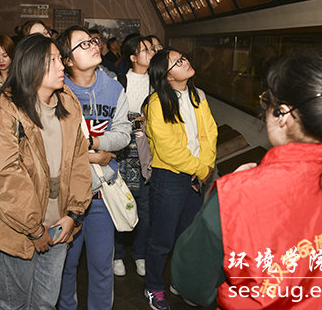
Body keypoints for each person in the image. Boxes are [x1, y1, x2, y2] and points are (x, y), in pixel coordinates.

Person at [171, 53, 322, 308]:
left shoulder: (238, 196)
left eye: (267, 102)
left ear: (284, 115)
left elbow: (191, 283)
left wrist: (231, 191)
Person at [0, 34, 92, 309]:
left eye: (60, 59)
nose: (61, 66)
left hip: (59, 224)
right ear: (31, 66)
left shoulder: (68, 104)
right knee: (14, 303)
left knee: (45, 303)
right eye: (52, 60)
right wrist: (35, 230)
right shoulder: (5, 115)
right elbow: (5, 179)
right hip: (15, 228)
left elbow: (79, 162)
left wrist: (73, 214)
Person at [57, 26, 131, 310]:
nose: (93, 45)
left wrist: (94, 142)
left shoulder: (113, 88)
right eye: (83, 44)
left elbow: (123, 134)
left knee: (102, 266)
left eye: (92, 41)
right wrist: (92, 156)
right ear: (67, 60)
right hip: (66, 195)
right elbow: (51, 142)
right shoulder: (59, 89)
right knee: (66, 265)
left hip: (103, 194)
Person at [143, 49, 217, 310]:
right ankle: (153, 286)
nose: (185, 61)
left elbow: (210, 133)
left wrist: (204, 167)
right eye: (177, 62)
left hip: (196, 176)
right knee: (162, 239)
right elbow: (168, 150)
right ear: (167, 76)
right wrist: (200, 169)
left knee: (187, 238)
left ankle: (180, 281)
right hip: (170, 178)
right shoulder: (156, 103)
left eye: (183, 58)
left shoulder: (197, 95)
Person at [113, 36, 155, 278]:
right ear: (132, 57)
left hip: (149, 153)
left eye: (151, 48)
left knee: (146, 209)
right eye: (145, 49)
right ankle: (117, 254)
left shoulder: (157, 82)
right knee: (121, 203)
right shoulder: (120, 82)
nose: (151, 52)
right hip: (124, 153)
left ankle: (140, 254)